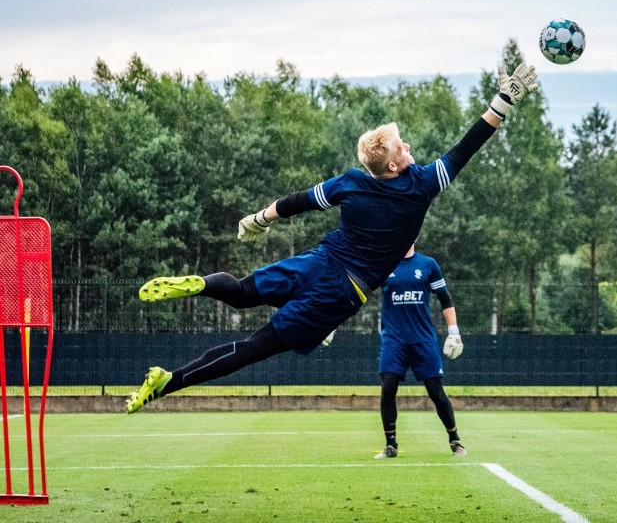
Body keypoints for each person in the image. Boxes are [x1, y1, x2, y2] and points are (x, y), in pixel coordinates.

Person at [125, 63, 539, 414]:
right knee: (253, 348)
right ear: (394, 164)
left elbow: (300, 201)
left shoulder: (352, 183)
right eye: (402, 145)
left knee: (240, 292)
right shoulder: (421, 185)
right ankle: (166, 381)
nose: (408, 145)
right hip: (342, 292)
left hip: (319, 261)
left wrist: (259, 218)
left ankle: (199, 284)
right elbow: (467, 146)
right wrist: (503, 103)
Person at [372, 243, 465, 459]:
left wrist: (454, 332)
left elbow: (445, 299)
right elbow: (360, 294)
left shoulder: (428, 264)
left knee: (435, 391)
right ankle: (390, 444)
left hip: (423, 339)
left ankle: (455, 439)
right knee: (388, 387)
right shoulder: (384, 262)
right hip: (393, 339)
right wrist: (332, 321)